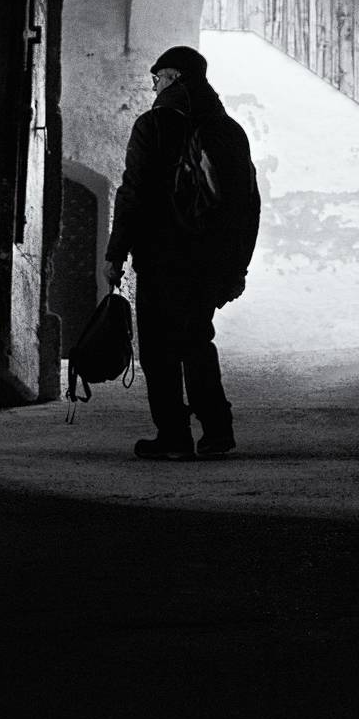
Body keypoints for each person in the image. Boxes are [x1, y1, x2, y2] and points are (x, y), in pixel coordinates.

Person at [103, 45, 260, 459]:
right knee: (197, 341)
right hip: (208, 258)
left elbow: (133, 193)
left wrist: (115, 253)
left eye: (157, 79)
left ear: (172, 78)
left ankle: (173, 436)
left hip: (161, 256)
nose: (154, 87)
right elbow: (247, 204)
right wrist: (237, 265)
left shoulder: (153, 125)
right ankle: (217, 430)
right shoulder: (229, 131)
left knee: (159, 350)